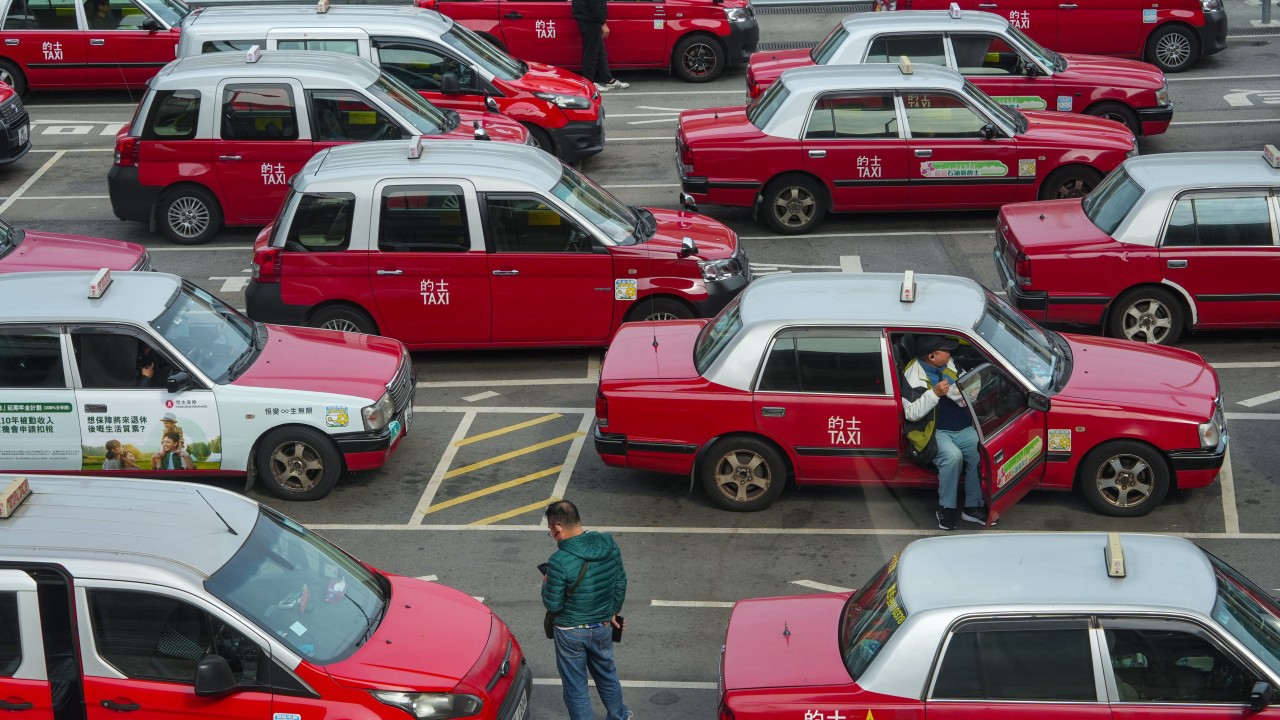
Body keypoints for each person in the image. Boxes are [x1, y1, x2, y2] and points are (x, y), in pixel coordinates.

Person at [541, 500, 631, 720]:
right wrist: (612, 612)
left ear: (558, 528)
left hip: (570, 632)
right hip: (602, 626)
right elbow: (620, 582)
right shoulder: (609, 545)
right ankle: (619, 716)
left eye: (551, 531)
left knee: (576, 686)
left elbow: (553, 604)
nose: (552, 535)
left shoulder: (559, 561)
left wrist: (546, 584)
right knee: (607, 676)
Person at [900, 334, 995, 531]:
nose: (950, 354)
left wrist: (969, 390)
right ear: (931, 357)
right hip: (934, 431)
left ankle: (972, 506)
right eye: (946, 351)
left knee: (981, 451)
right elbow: (911, 413)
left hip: (962, 428)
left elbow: (968, 382)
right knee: (953, 457)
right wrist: (934, 393)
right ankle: (946, 508)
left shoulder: (949, 363)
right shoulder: (913, 374)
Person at [570, 0, 628, 93]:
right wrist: (603, 23)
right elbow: (594, 5)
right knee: (591, 54)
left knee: (600, 53)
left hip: (589, 19)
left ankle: (609, 80)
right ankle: (589, 83)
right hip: (590, 20)